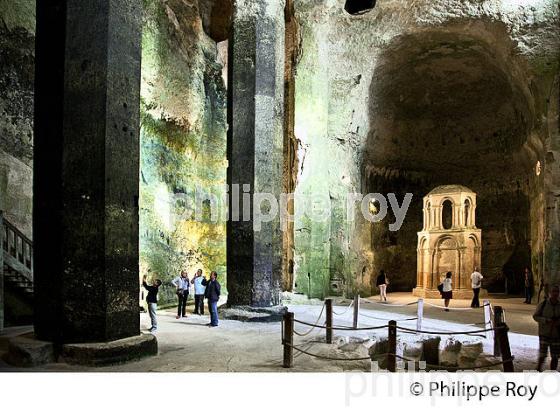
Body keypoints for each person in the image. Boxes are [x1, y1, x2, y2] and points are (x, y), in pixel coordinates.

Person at [533, 285, 560, 371]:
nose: (555, 294)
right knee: (542, 355)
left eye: (557, 291)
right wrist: (546, 320)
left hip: (556, 335)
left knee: (555, 357)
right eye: (553, 291)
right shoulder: (543, 304)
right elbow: (535, 316)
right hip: (544, 333)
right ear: (549, 293)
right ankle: (538, 371)